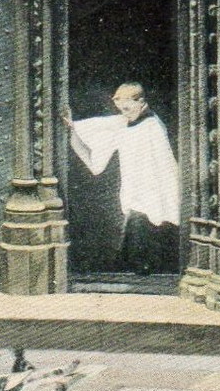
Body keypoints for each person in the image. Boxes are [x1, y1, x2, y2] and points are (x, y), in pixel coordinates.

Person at [62, 83, 179, 274]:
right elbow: (101, 129)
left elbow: (164, 166)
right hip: (134, 197)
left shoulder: (153, 126)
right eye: (120, 109)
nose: (124, 112)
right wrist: (73, 128)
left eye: (127, 107)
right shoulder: (125, 122)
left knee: (147, 235)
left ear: (141, 102)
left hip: (151, 195)